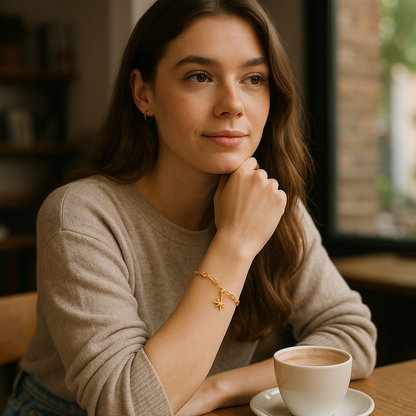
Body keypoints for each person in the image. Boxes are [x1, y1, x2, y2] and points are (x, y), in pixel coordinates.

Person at [2, 0, 377, 415]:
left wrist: (217, 389)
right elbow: (127, 406)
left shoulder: (266, 200)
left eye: (254, 78)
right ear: (143, 94)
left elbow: (353, 336)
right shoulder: (80, 215)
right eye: (199, 76)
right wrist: (235, 243)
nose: (232, 104)